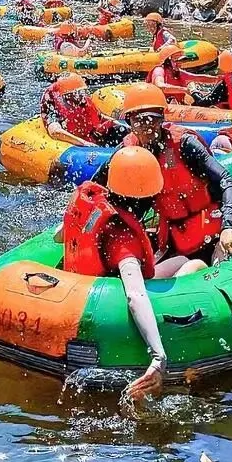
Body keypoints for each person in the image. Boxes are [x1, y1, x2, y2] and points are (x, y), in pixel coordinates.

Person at [63, 147, 207, 401]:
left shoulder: (95, 203)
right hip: (109, 299)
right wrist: (158, 357)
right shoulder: (123, 239)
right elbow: (135, 295)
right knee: (195, 266)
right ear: (144, 197)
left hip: (87, 283)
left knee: (184, 260)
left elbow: (60, 236)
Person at [117, 84, 232, 264]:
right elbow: (108, 196)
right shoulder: (128, 154)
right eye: (139, 121)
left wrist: (229, 226)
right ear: (129, 124)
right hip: (176, 239)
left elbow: (225, 180)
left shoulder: (185, 144)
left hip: (213, 232)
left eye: (152, 119)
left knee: (218, 262)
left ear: (162, 119)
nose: (147, 127)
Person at [39, 74, 128, 148]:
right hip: (79, 142)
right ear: (67, 95)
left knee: (121, 130)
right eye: (77, 93)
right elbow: (55, 131)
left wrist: (119, 124)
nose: (82, 95)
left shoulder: (82, 100)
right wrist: (84, 143)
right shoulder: (53, 105)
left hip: (94, 135)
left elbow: (99, 117)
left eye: (82, 91)